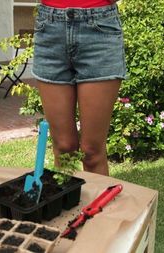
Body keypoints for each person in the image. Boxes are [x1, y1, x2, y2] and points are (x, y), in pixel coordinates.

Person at [31, 0, 126, 176]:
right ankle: (68, 202)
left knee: (92, 152)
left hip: (99, 28)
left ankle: (96, 203)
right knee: (64, 148)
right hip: (49, 28)